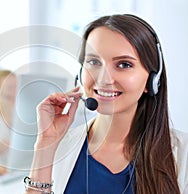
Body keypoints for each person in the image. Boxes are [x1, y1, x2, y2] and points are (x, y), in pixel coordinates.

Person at [24, 14, 188, 194]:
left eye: (124, 65)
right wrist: (45, 146)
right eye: (93, 62)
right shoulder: (61, 146)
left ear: (152, 80)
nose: (103, 79)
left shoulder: (183, 153)